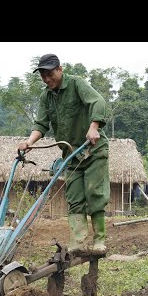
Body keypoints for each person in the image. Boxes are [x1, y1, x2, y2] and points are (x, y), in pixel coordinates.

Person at [17, 54, 110, 256]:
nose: (47, 79)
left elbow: (98, 102)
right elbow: (41, 124)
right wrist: (29, 142)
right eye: (43, 76)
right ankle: (78, 242)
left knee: (94, 192)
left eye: (50, 74)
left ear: (60, 69)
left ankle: (99, 240)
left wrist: (94, 127)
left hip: (93, 149)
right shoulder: (46, 97)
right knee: (74, 197)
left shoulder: (77, 84)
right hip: (71, 155)